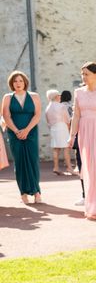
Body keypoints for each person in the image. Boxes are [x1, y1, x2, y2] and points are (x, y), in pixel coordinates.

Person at [68, 62, 96, 219]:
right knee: (89, 169)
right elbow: (76, 116)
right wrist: (72, 136)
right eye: (82, 74)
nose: (83, 77)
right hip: (85, 133)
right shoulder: (78, 93)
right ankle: (92, 206)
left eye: (86, 74)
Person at [2, 71, 42, 204]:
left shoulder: (34, 96)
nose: (18, 83)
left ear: (25, 82)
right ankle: (23, 193)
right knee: (19, 163)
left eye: (20, 81)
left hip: (31, 132)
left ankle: (36, 192)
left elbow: (37, 116)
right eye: (15, 81)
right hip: (14, 134)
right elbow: (6, 116)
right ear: (11, 84)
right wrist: (16, 131)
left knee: (33, 161)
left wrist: (26, 130)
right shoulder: (7, 97)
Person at [61, 89, 85, 203]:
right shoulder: (73, 107)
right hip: (80, 138)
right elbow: (73, 120)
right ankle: (85, 195)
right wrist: (72, 136)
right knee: (82, 167)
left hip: (94, 137)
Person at [44, 89, 72, 175]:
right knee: (66, 148)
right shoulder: (61, 106)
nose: (60, 96)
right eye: (59, 95)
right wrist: (69, 129)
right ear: (56, 96)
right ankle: (69, 168)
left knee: (56, 149)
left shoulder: (47, 108)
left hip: (53, 129)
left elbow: (48, 122)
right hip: (62, 127)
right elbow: (67, 119)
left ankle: (56, 167)